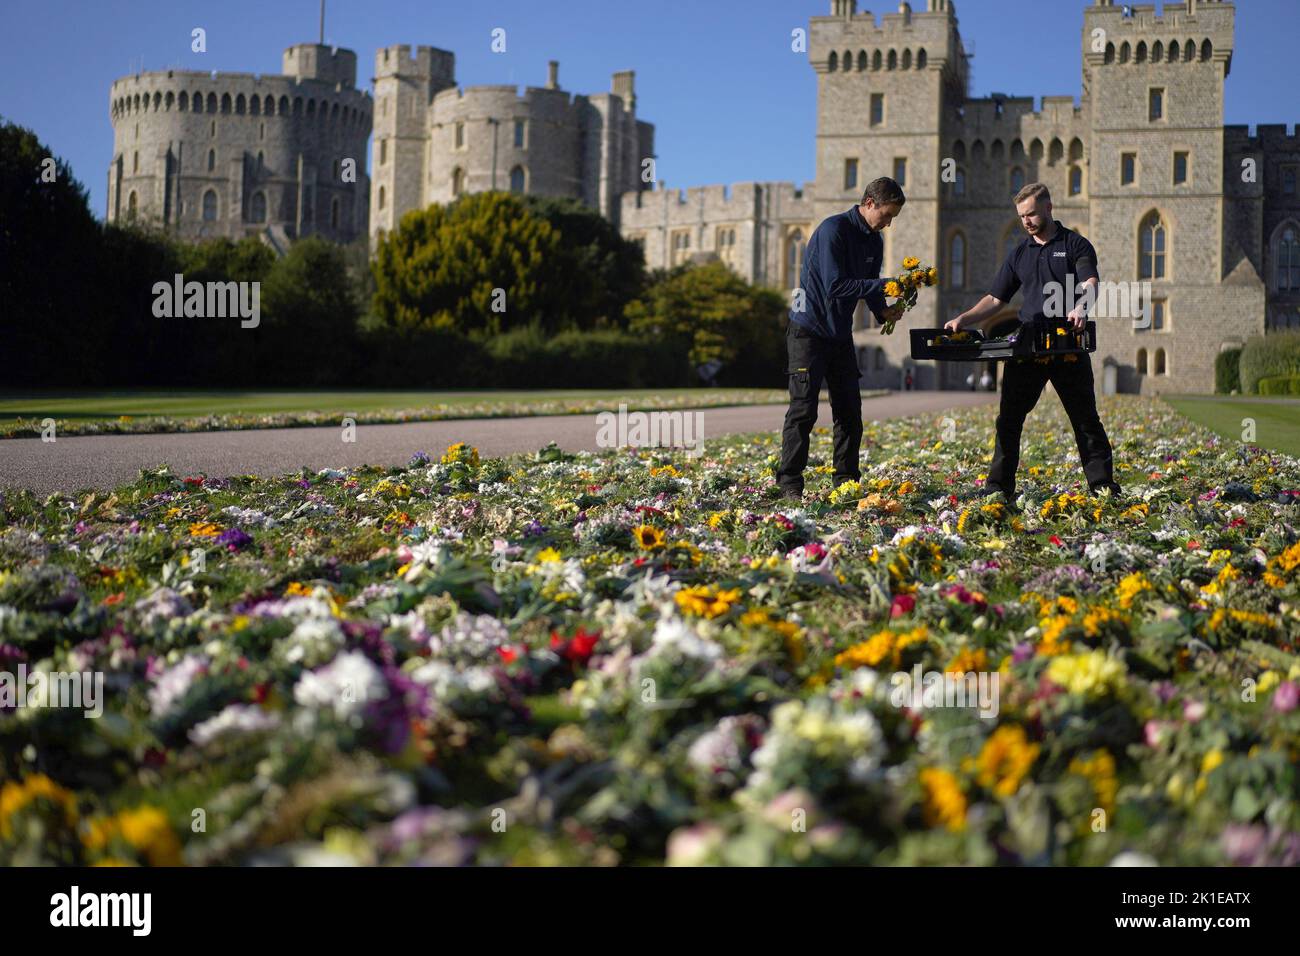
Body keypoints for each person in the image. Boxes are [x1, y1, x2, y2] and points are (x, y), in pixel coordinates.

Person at [945, 182, 1120, 501]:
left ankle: (1102, 485)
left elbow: (1091, 281)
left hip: (1067, 345)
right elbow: (996, 298)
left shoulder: (1075, 244)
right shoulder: (1019, 253)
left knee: (1085, 419)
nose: (1026, 221)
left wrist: (1082, 305)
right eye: (1022, 216)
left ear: (1049, 209)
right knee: (1008, 419)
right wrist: (964, 319)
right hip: (1027, 345)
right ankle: (999, 487)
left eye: (1031, 214)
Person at [776, 177, 907, 499]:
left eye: (893, 219)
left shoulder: (874, 242)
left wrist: (882, 311)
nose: (888, 224)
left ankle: (846, 482)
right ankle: (790, 483)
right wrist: (884, 285)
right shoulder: (832, 230)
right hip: (808, 331)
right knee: (803, 411)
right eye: (886, 215)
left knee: (850, 411)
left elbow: (869, 281)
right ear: (870, 204)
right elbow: (836, 287)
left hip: (839, 334)